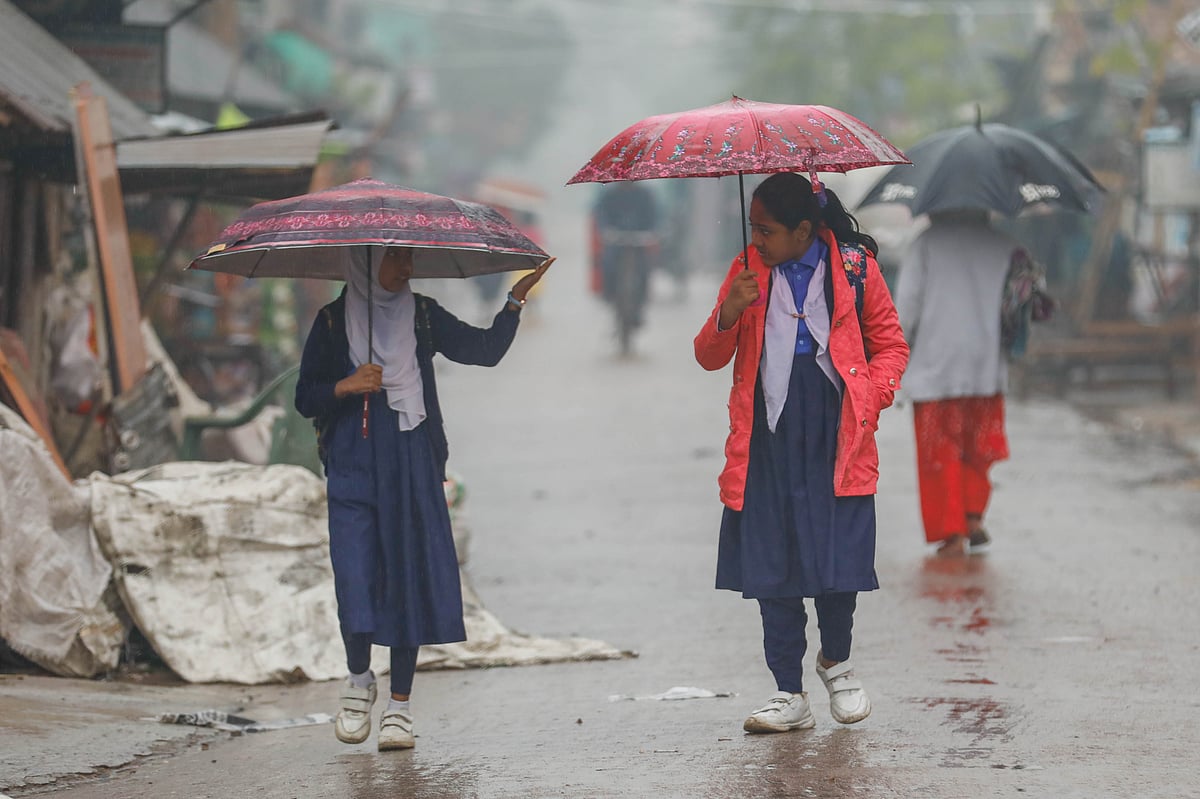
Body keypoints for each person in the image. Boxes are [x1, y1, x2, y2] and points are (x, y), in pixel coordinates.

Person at [295, 246, 552, 750]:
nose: (407, 269)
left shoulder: (424, 316)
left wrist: (515, 301)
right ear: (366, 264)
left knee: (406, 576)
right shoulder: (330, 323)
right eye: (396, 260)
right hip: (351, 465)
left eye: (410, 260)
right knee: (354, 575)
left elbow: (484, 350)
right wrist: (346, 385)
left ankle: (400, 707)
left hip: (412, 459)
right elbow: (306, 396)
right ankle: (358, 681)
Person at [694, 172, 909, 734]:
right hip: (768, 437)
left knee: (840, 559)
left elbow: (890, 344)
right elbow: (708, 356)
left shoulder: (856, 270)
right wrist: (729, 313)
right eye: (753, 229)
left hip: (839, 436)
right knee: (774, 564)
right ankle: (788, 692)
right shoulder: (746, 272)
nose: (757, 240)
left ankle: (836, 660)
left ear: (804, 230)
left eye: (767, 231)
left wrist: (872, 395)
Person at [893, 208, 1021, 556]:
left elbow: (907, 306)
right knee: (977, 446)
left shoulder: (926, 244)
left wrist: (893, 355)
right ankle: (974, 517)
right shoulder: (1004, 244)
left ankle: (951, 531)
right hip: (986, 364)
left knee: (939, 449)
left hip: (936, 364)